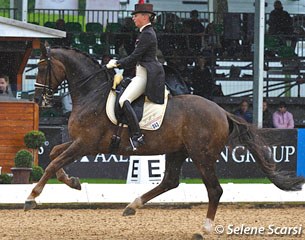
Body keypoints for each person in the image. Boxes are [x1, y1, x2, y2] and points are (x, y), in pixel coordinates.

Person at [106, 2, 165, 151]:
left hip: (145, 76)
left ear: (145, 17)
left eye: (136, 15)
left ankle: (137, 136)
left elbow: (134, 57)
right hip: (140, 73)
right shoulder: (144, 33)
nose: (133, 18)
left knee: (124, 100)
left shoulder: (147, 34)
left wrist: (117, 64)